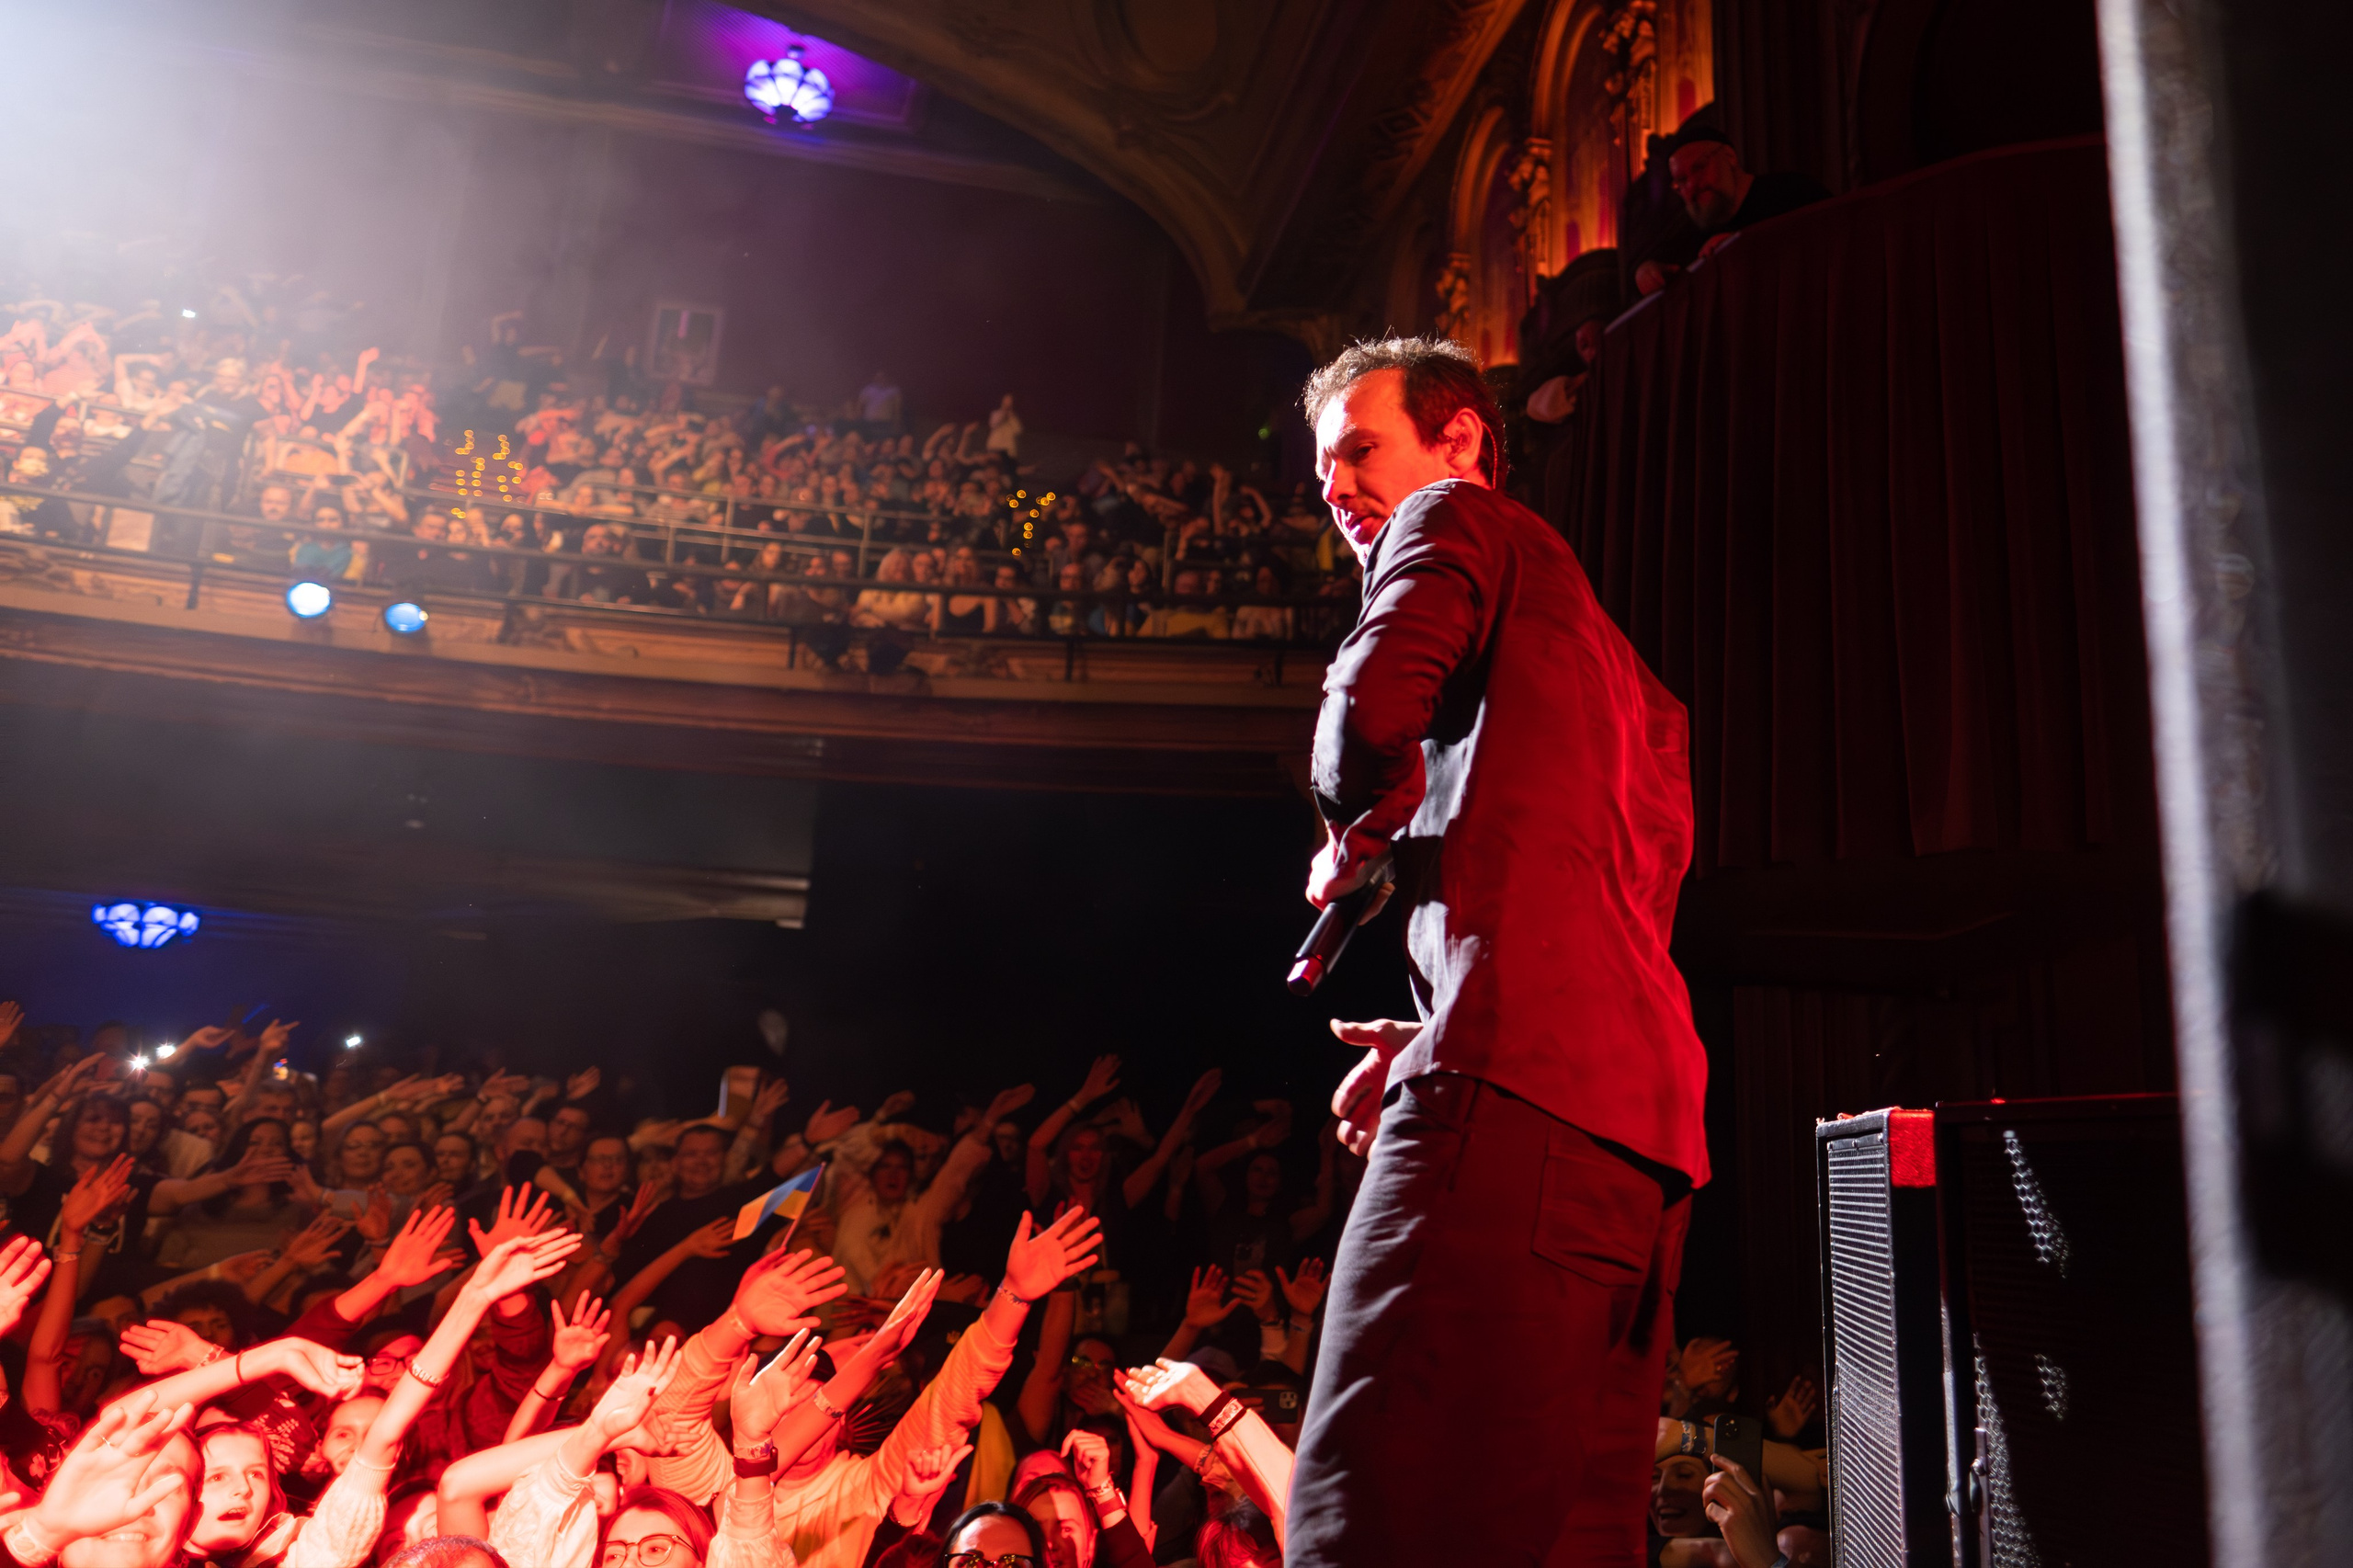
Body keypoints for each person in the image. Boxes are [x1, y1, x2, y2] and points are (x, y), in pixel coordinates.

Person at [1283, 336, 1709, 1566]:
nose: (1340, 488)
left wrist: (1353, 827)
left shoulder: (1455, 517)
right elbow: (1607, 892)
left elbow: (1367, 715)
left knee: (1380, 1515)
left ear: (1461, 440)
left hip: (1513, 1086)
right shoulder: (1633, 683)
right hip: (1644, 1134)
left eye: (1361, 449)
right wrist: (1435, 1022)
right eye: (1323, 472)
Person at [1634, 128, 1829, 295]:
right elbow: (1652, 268)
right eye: (1682, 181)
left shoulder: (1793, 192)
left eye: (1700, 167)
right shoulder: (1689, 233)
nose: (1692, 185)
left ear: (1730, 157)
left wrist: (1744, 245)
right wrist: (1645, 273)